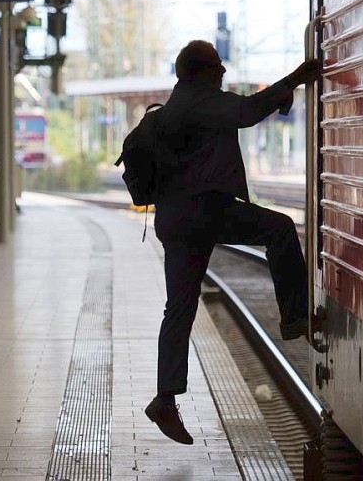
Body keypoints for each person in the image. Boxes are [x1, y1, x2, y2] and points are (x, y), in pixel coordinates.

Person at [144, 39, 320, 445]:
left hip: (176, 219)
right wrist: (296, 76)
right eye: (218, 66)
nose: (224, 72)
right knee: (278, 229)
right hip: (204, 213)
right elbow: (244, 112)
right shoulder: (198, 100)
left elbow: (244, 108)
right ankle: (295, 316)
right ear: (201, 71)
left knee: (179, 309)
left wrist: (282, 92)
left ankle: (164, 399)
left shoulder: (181, 103)